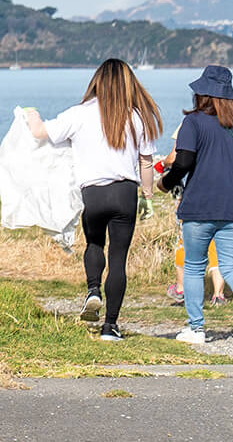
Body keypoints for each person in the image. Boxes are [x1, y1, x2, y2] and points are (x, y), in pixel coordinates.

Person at [21, 59, 163, 340]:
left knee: (94, 243)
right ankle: (110, 327)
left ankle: (93, 290)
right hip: (125, 194)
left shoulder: (79, 114)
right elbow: (146, 163)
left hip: (92, 194)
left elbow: (40, 133)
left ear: (96, 82)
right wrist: (147, 197)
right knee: (119, 258)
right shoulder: (136, 116)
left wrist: (31, 113)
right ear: (128, 83)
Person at [157, 65, 233, 347]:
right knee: (231, 267)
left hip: (199, 207)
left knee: (193, 266)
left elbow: (183, 163)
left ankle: (196, 329)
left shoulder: (193, 123)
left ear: (202, 94)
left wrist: (165, 184)